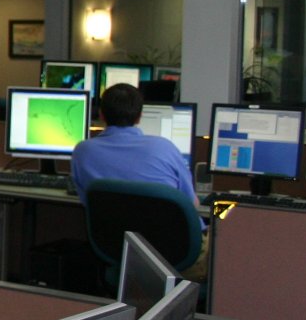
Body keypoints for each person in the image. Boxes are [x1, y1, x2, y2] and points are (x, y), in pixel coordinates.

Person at [71, 82, 207, 278]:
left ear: (101, 115)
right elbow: (192, 205)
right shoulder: (164, 148)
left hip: (120, 250)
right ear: (139, 116)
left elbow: (88, 202)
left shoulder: (83, 151)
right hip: (178, 253)